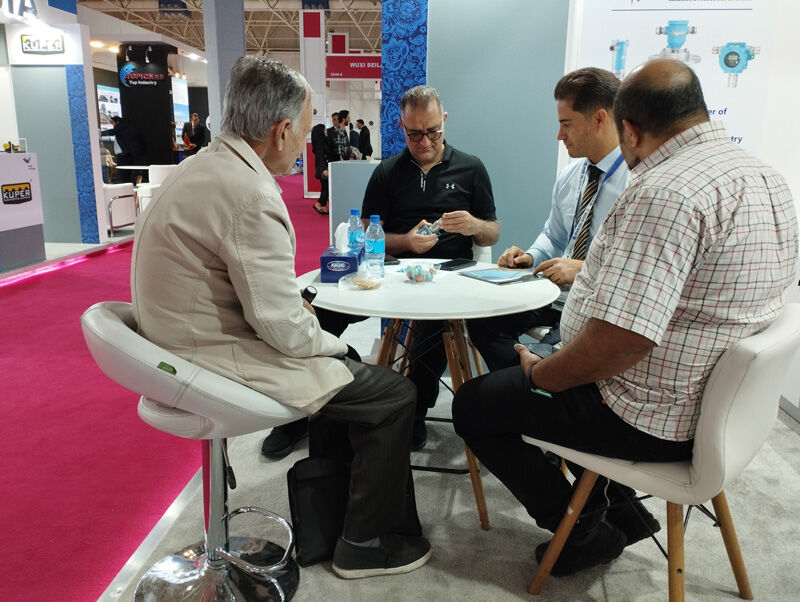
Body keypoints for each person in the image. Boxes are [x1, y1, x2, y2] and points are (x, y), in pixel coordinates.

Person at [453, 59, 797, 578]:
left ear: (627, 129)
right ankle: (621, 510)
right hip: (720, 409)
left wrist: (542, 376)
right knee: (518, 370)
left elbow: (621, 342)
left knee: (474, 405)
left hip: (649, 415)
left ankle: (583, 531)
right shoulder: (765, 177)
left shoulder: (664, 192)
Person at [131, 56, 432, 579]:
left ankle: (331, 522)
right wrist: (334, 345)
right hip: (209, 360)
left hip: (175, 347)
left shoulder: (204, 167)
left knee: (344, 374)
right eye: (307, 128)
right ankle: (365, 542)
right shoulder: (248, 194)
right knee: (392, 393)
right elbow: (283, 328)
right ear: (281, 130)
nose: (306, 144)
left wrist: (314, 330)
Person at [263, 85, 499, 457]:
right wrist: (406, 241)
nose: (424, 142)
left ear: (444, 121)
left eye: (433, 131)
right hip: (389, 271)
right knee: (318, 314)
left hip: (449, 276)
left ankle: (414, 411)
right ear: (401, 126)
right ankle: (297, 411)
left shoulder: (471, 168)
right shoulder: (388, 172)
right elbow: (363, 237)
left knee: (433, 326)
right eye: (414, 134)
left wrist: (473, 225)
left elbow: (492, 231)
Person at [468, 67, 629, 371]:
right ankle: (526, 382)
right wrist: (529, 257)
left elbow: (636, 267)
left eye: (566, 124)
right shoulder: (570, 176)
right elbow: (554, 236)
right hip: (554, 294)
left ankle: (534, 379)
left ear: (599, 119)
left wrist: (583, 268)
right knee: (483, 321)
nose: (559, 135)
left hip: (596, 305)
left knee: (553, 353)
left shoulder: (637, 184)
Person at [311, 123, 330, 215]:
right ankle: (319, 204)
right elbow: (320, 157)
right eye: (325, 130)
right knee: (326, 187)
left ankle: (322, 206)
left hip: (323, 167)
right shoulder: (320, 142)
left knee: (325, 187)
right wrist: (324, 169)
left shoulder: (321, 141)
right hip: (323, 168)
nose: (326, 131)